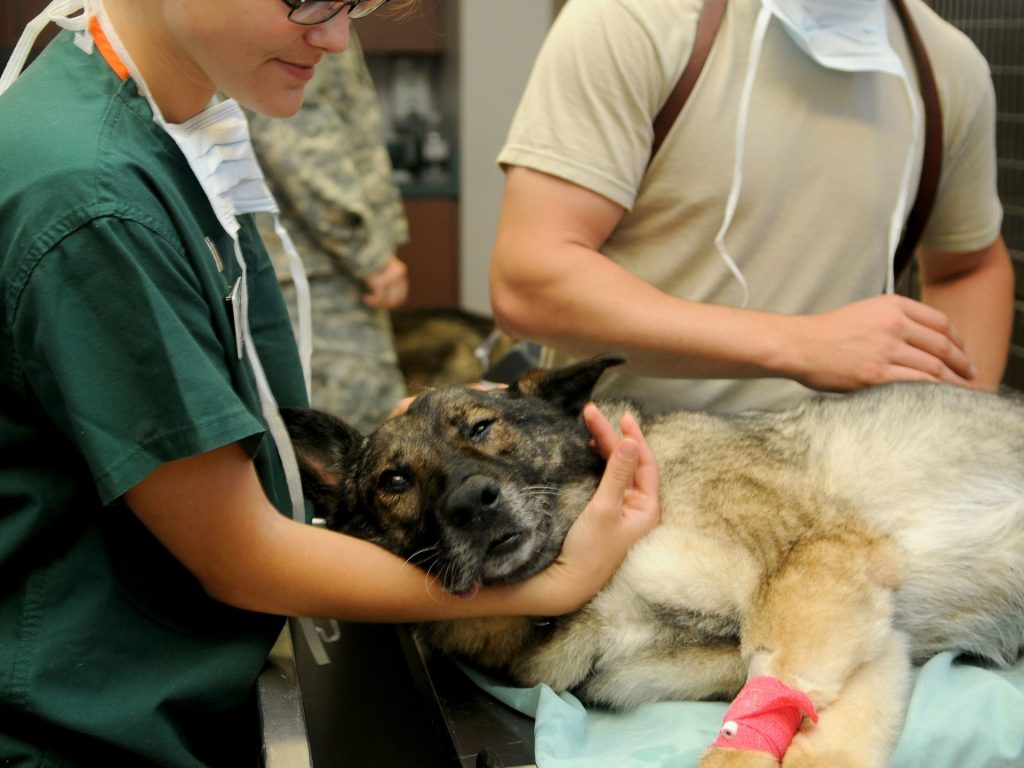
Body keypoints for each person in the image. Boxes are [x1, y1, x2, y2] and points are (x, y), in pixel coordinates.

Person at [0, 1, 660, 766]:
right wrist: (554, 583)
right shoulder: (93, 200)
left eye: (357, 6)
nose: (338, 37)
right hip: (83, 732)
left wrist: (430, 442)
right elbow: (240, 554)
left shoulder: (176, 128)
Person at [490, 0, 1015, 416]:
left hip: (848, 475)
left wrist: (956, 423)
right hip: (630, 471)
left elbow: (970, 265)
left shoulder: (947, 66)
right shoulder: (635, 18)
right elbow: (530, 280)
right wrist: (801, 344)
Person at [248, 32, 410, 434]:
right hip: (315, 270)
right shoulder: (306, 15)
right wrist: (369, 254)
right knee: (354, 444)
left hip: (306, 263)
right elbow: (297, 138)